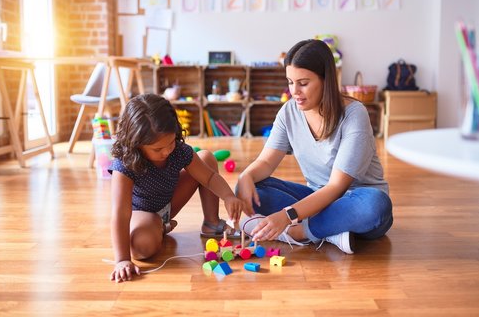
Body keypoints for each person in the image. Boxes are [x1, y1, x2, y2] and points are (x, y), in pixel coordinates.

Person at [237, 39, 393, 254]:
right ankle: (331, 232)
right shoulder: (288, 112)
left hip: (356, 199)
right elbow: (265, 162)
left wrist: (287, 217)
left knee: (374, 205)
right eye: (290, 82)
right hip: (315, 198)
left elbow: (337, 187)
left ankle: (299, 233)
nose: (294, 91)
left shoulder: (354, 114)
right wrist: (245, 177)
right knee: (254, 188)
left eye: (303, 83)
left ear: (326, 80)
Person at [109, 93, 242, 283]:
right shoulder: (124, 164)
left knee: (206, 158)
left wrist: (229, 196)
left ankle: (211, 223)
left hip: (167, 205)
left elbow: (210, 178)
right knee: (142, 247)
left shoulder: (178, 151)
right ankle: (159, 228)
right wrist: (122, 260)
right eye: (157, 149)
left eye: (171, 143)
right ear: (136, 144)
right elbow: (120, 213)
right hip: (141, 213)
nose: (166, 151)